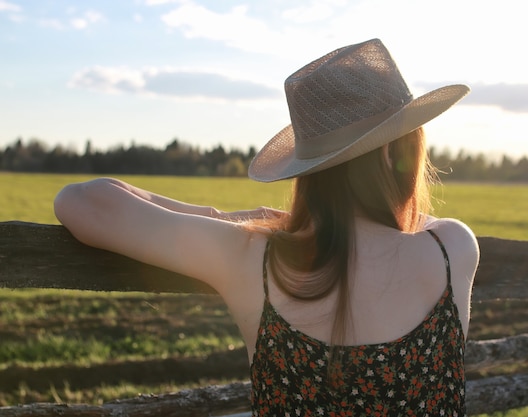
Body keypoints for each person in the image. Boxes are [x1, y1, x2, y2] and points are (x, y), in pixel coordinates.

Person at [55, 38, 479, 416]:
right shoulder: (453, 248)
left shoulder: (251, 258)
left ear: (308, 168)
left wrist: (234, 220)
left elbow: (81, 201)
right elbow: (409, 224)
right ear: (393, 152)